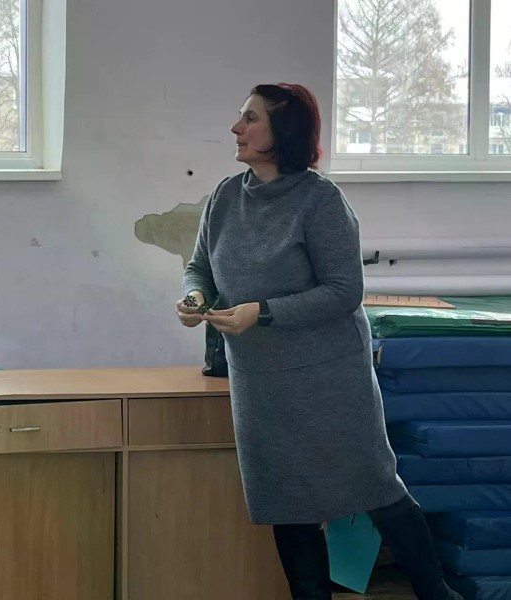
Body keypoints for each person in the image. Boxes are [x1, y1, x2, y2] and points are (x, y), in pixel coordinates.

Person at [177, 83, 462, 600]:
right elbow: (200, 267)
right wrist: (195, 296)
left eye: (250, 118)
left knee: (377, 490)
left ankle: (438, 594)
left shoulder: (321, 201)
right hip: (261, 384)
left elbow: (344, 291)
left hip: (329, 382)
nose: (236, 128)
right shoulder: (224, 197)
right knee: (287, 503)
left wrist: (263, 312)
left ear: (283, 131)